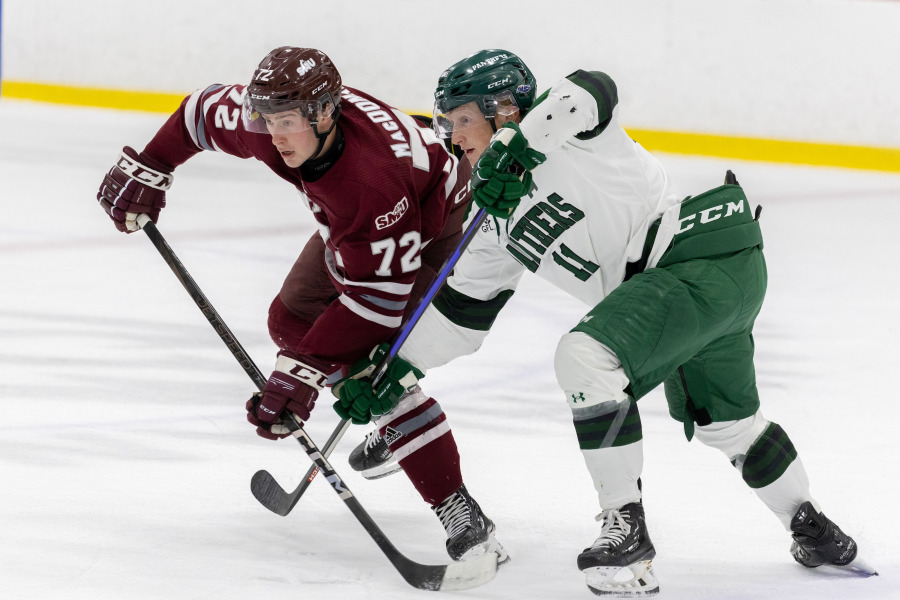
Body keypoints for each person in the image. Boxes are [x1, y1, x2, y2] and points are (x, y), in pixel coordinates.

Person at [335, 49, 864, 597]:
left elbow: (593, 87)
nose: (453, 136)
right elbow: (462, 313)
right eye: (447, 124)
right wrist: (395, 370)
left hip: (693, 254)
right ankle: (813, 527)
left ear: (505, 109)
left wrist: (519, 149)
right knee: (726, 426)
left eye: (462, 119)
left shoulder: (565, 130)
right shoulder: (491, 218)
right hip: (708, 288)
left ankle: (626, 531)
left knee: (585, 355)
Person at [95, 46, 508, 564]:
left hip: (436, 221)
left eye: (286, 122)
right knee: (291, 321)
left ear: (324, 113)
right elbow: (200, 112)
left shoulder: (371, 182)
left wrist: (302, 374)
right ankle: (402, 431)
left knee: (373, 370)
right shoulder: (272, 122)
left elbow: (376, 304)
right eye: (264, 119)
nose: (273, 135)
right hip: (357, 223)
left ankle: (457, 502)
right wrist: (150, 167)